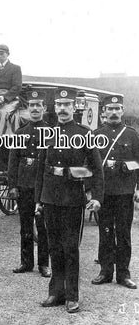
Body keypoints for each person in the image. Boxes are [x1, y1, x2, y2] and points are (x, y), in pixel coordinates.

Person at [34, 88, 104, 313]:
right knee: (54, 247)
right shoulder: (49, 133)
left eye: (67, 105)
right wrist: (38, 199)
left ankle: (72, 296)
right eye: (59, 105)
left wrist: (96, 197)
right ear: (55, 108)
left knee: (70, 248)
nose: (63, 109)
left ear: (74, 108)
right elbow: (40, 170)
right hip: (51, 197)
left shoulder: (84, 133)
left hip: (73, 198)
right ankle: (56, 292)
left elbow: (97, 169)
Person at [91, 95, 139, 289]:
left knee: (124, 233)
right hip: (104, 193)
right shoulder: (96, 134)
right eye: (109, 109)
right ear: (104, 112)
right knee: (105, 231)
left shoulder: (132, 134)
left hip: (125, 192)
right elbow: (91, 166)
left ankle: (123, 274)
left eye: (117, 108)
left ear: (122, 111)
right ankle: (105, 271)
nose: (113, 112)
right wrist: (92, 192)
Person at [7, 90, 50, 277]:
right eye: (31, 105)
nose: (34, 109)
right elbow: (13, 161)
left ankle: (43, 264)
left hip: (43, 187)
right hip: (24, 185)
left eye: (38, 105)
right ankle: (26, 262)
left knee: (43, 226)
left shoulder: (51, 132)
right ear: (27, 108)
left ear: (44, 108)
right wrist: (12, 185)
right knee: (25, 225)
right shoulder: (20, 132)